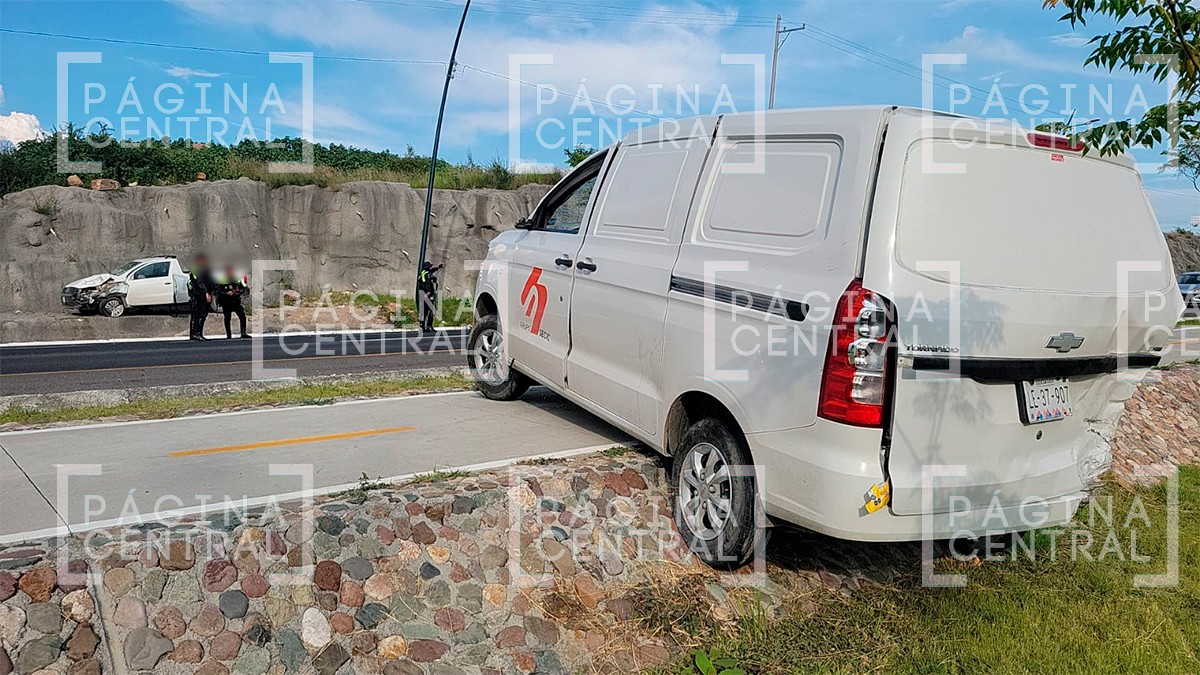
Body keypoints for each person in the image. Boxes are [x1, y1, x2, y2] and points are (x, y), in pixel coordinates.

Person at [187, 254, 217, 341]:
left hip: (206, 293)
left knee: (203, 314)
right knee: (198, 314)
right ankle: (195, 334)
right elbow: (199, 282)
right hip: (199, 294)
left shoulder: (206, 269)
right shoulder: (195, 269)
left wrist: (213, 290)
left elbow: (210, 281)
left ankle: (198, 333)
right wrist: (206, 293)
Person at [218, 265, 249, 339]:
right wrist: (226, 293)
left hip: (235, 301)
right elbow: (218, 291)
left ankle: (243, 333)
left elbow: (243, 289)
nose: (231, 273)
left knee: (242, 315)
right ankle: (229, 335)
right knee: (227, 317)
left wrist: (237, 291)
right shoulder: (222, 280)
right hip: (226, 302)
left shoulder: (236, 280)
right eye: (229, 271)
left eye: (232, 271)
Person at [417, 261, 444, 333]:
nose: (430, 268)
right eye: (429, 266)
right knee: (429, 310)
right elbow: (427, 283)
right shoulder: (427, 274)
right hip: (427, 295)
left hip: (424, 294)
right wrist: (428, 292)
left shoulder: (424, 273)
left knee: (426, 311)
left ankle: (424, 326)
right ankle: (427, 326)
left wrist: (438, 267)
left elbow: (432, 271)